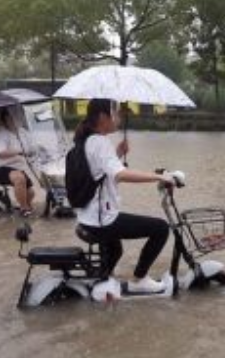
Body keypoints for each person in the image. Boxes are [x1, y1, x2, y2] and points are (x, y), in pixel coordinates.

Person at [74, 99, 173, 294]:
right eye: (116, 113)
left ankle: (101, 280)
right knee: (161, 228)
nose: (119, 118)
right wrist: (159, 176)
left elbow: (99, 173)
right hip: (103, 220)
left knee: (116, 250)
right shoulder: (100, 142)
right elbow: (120, 175)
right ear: (104, 117)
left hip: (88, 217)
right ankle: (140, 279)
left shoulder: (87, 140)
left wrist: (118, 153)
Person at [0, 109, 36, 217]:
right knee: (19, 178)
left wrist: (41, 149)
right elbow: (0, 152)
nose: (17, 119)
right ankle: (24, 209)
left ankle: (25, 205)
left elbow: (32, 148)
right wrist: (20, 152)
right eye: (13, 117)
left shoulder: (23, 132)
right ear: (5, 118)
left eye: (19, 116)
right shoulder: (0, 133)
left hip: (17, 167)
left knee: (30, 193)